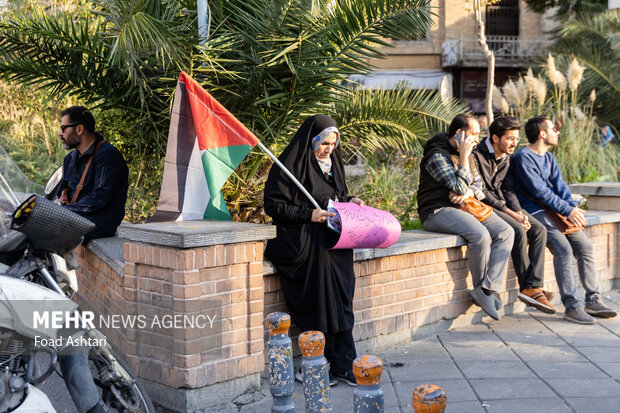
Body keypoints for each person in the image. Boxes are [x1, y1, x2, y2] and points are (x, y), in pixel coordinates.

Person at [264, 114, 364, 386]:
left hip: (335, 243)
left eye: (333, 143)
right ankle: (316, 364)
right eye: (323, 143)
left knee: (342, 302)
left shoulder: (333, 165)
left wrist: (350, 200)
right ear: (310, 141)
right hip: (305, 245)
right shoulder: (289, 168)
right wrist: (309, 215)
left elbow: (337, 197)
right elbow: (273, 205)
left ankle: (343, 363)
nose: (328, 148)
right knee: (320, 303)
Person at [511, 115, 618, 324]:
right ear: (542, 134)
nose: (557, 132)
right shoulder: (523, 157)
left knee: (585, 246)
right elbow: (539, 191)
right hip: (533, 211)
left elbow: (561, 188)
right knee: (564, 249)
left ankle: (593, 299)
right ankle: (571, 305)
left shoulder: (549, 158)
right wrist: (567, 211)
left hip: (555, 212)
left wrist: (573, 209)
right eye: (553, 129)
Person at [417, 114, 514, 320]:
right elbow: (459, 185)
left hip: (466, 206)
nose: (478, 139)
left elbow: (477, 187)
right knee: (480, 235)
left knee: (506, 231)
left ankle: (488, 289)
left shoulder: (470, 152)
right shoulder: (437, 155)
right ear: (460, 134)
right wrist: (462, 157)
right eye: (474, 134)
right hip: (438, 211)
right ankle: (480, 288)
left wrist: (467, 193)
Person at [472, 116, 554, 314]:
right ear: (495, 138)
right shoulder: (476, 156)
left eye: (516, 139)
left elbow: (508, 189)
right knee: (518, 229)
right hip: (485, 206)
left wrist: (518, 211)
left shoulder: (506, 157)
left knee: (539, 229)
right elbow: (482, 192)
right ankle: (529, 288)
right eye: (510, 138)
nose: (514, 143)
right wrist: (511, 213)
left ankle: (533, 285)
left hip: (503, 205)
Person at [58, 106, 129, 243]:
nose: (60, 133)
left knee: (46, 231)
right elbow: (64, 188)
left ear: (79, 129)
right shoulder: (70, 158)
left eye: (63, 128)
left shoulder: (107, 155)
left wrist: (66, 211)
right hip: (75, 218)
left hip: (99, 224)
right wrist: (63, 195)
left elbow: (100, 198)